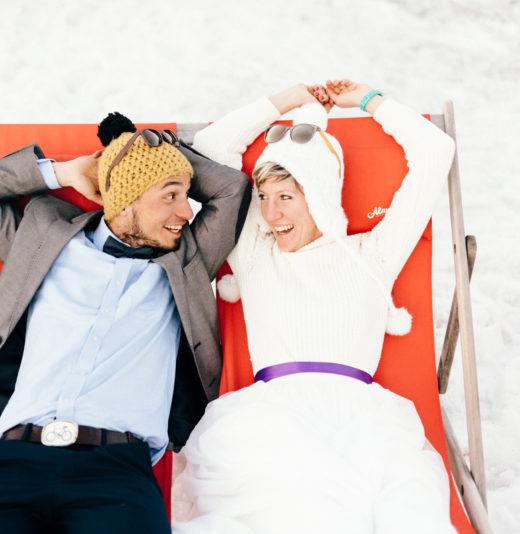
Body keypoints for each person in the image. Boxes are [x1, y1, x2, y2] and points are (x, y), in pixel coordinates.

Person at [0, 111, 252, 533]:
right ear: (127, 197)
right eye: (170, 195)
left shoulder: (186, 261)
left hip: (116, 475)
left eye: (186, 196)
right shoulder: (44, 241)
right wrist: (63, 172)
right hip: (10, 465)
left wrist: (156, 144)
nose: (186, 212)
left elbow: (231, 189)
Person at [172, 80, 458, 534]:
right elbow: (209, 148)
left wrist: (368, 101)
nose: (271, 215)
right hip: (267, 421)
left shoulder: (373, 254)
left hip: (362, 425)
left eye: (286, 197)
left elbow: (434, 152)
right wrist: (288, 101)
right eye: (263, 199)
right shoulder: (254, 252)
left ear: (320, 196)